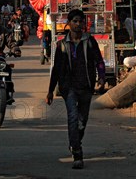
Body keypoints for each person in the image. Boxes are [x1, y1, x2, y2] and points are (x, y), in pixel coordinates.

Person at [45, 9, 106, 170]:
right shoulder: (62, 44)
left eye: (81, 22)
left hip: (86, 86)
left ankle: (74, 142)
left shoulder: (90, 41)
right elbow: (56, 68)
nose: (78, 25)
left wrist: (101, 77)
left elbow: (99, 61)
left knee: (82, 121)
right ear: (69, 23)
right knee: (73, 116)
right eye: (75, 21)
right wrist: (50, 91)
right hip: (68, 87)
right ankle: (77, 154)